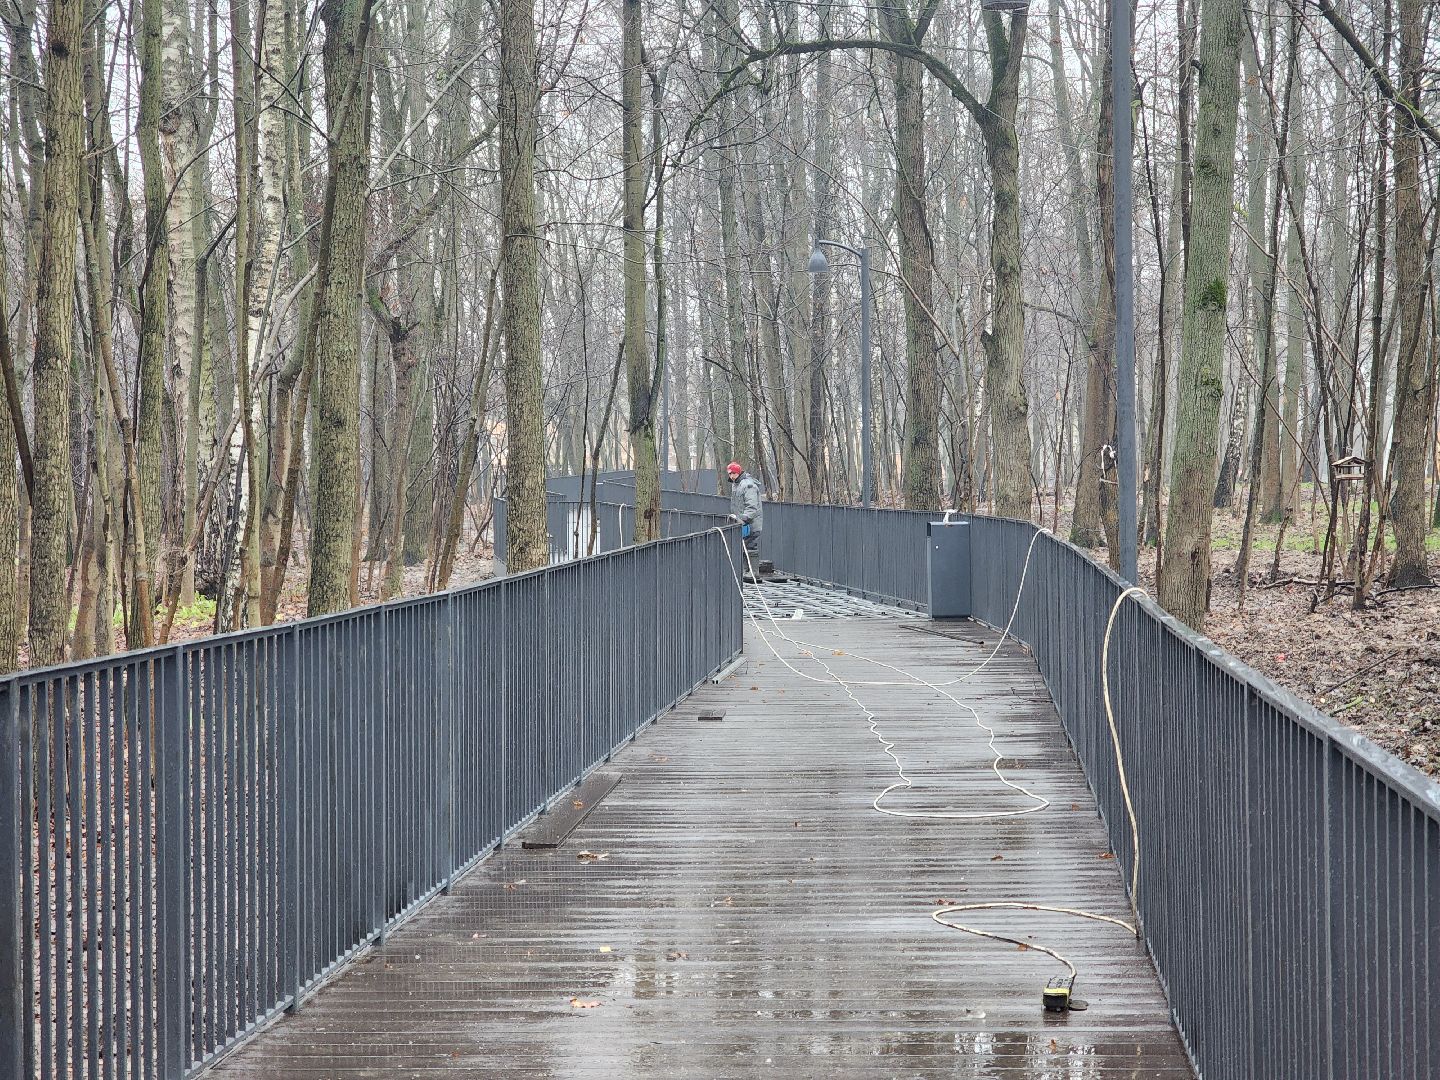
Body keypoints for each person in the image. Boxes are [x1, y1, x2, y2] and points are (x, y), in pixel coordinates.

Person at [726, 461, 763, 557]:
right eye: (730, 474)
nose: (731, 476)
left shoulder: (748, 485)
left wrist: (743, 519)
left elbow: (752, 507)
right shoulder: (736, 484)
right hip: (742, 525)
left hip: (750, 526)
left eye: (733, 473)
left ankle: (751, 567)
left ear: (738, 472)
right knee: (742, 553)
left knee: (749, 552)